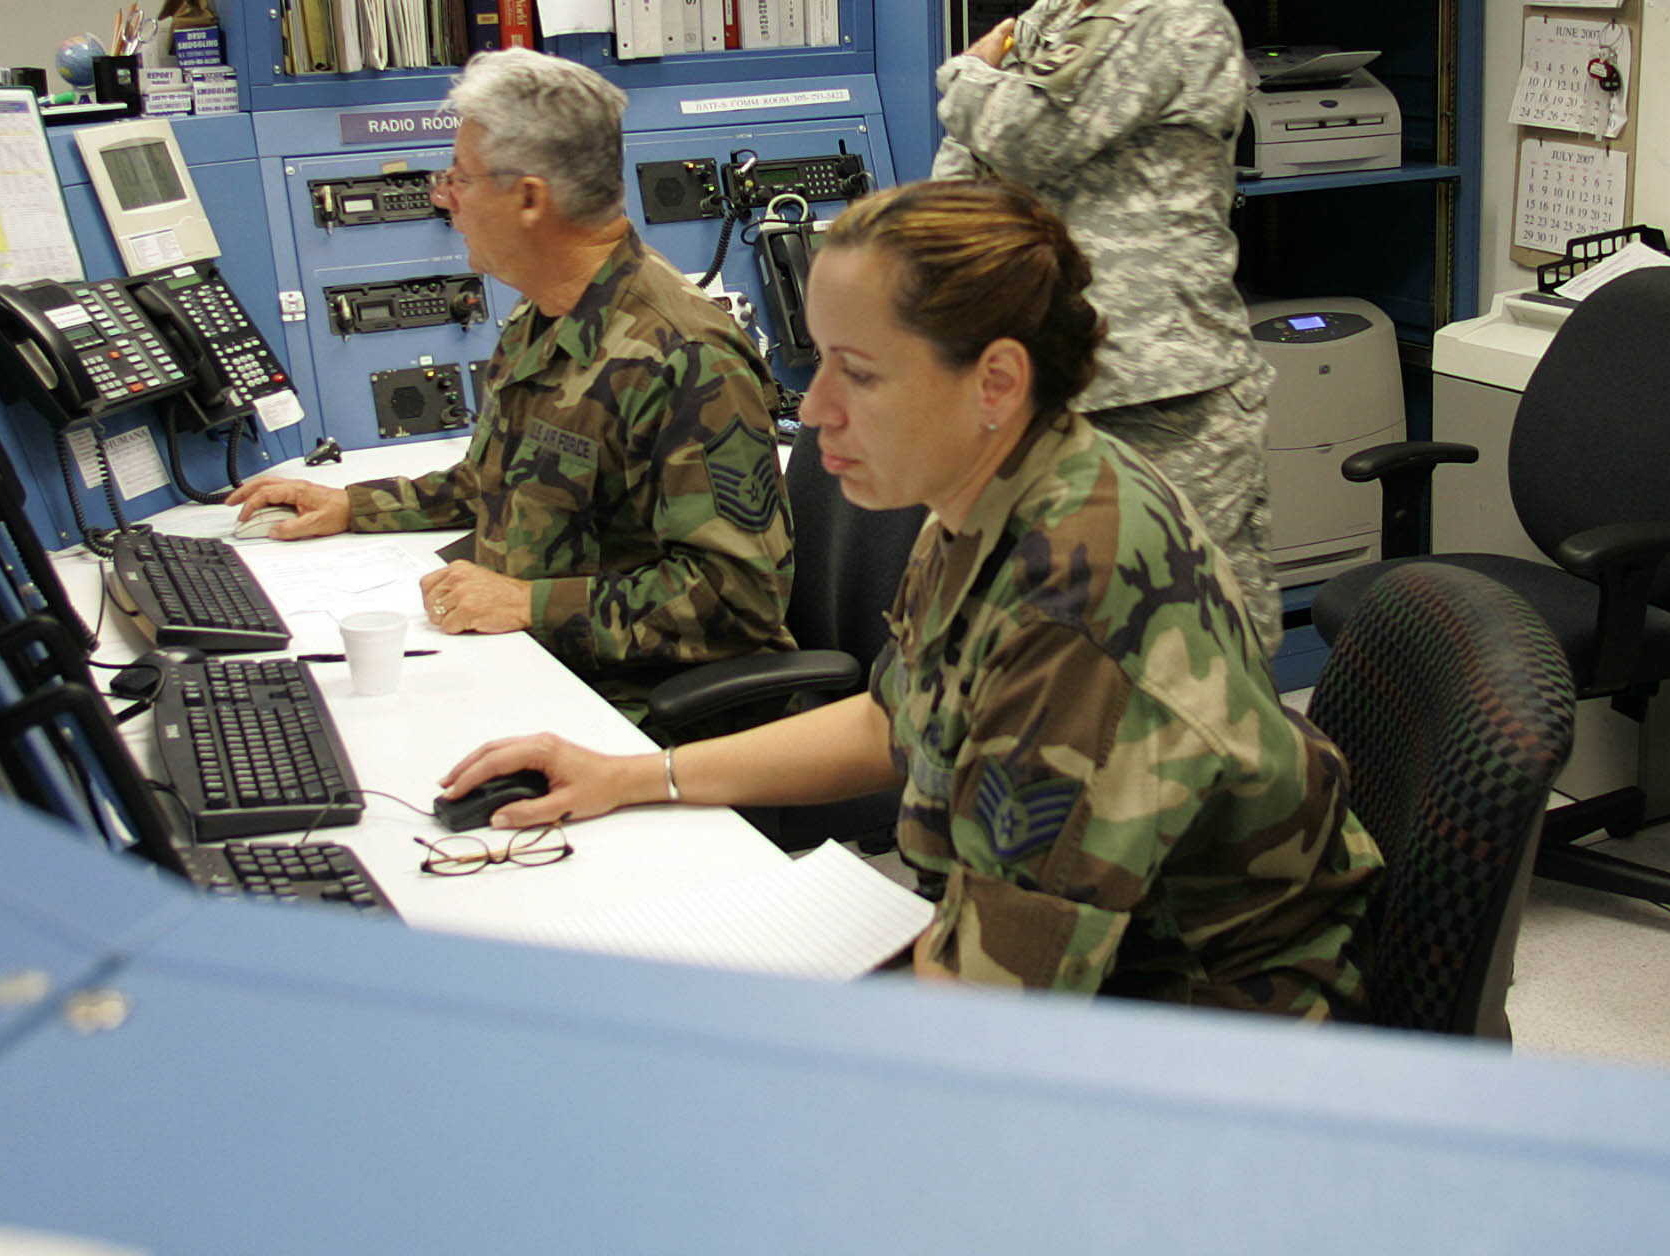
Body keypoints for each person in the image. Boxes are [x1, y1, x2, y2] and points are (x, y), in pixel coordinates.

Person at [442, 178, 1381, 1015]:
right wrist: (627, 776)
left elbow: (992, 1004)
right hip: (1065, 968)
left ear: (996, 382)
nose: (812, 411)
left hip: (1206, 1023)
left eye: (860, 372)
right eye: (819, 363)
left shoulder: (1075, 604)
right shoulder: (990, 491)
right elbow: (894, 721)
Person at [227, 49, 793, 713]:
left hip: (633, 713)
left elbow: (739, 598)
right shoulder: (547, 314)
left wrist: (527, 602)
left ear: (529, 197)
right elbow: (502, 482)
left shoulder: (684, 358)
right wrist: (353, 505)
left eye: (460, 179)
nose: (445, 200)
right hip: (529, 669)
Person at [932, 0, 1281, 657]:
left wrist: (962, 74)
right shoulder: (1057, 11)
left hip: (1170, 400)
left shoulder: (1175, 20)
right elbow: (960, 178)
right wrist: (985, 100)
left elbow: (1025, 140)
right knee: (1074, 640)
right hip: (1063, 385)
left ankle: (1252, 791)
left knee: (1200, 634)